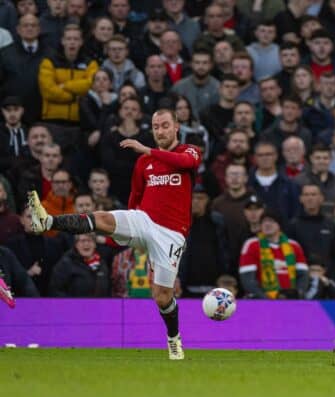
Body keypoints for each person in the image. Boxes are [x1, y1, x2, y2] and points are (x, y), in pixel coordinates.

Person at [27, 108, 201, 360]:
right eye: (155, 126)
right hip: (144, 220)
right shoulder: (144, 163)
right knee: (104, 218)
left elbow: (187, 164)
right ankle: (48, 220)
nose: (160, 131)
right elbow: (135, 197)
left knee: (162, 296)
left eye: (165, 126)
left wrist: (148, 149)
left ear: (176, 127)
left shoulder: (188, 151)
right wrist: (124, 226)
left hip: (172, 234)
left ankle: (173, 338)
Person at [238, 208, 308, 299]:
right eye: (263, 222)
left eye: (271, 221)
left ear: (279, 225)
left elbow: (303, 276)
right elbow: (248, 279)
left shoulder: (294, 246)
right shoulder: (251, 245)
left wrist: (296, 295)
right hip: (262, 302)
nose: (267, 224)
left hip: (290, 301)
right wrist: (266, 299)